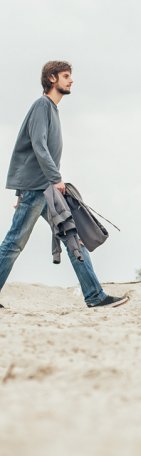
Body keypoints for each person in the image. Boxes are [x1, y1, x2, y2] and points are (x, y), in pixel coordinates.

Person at [0, 61, 127, 309]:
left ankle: (94, 296)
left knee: (73, 239)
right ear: (51, 78)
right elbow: (38, 146)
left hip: (43, 188)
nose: (71, 80)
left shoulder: (52, 110)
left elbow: (32, 152)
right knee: (14, 243)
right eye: (66, 76)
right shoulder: (42, 106)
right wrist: (53, 179)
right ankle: (95, 295)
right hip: (39, 189)